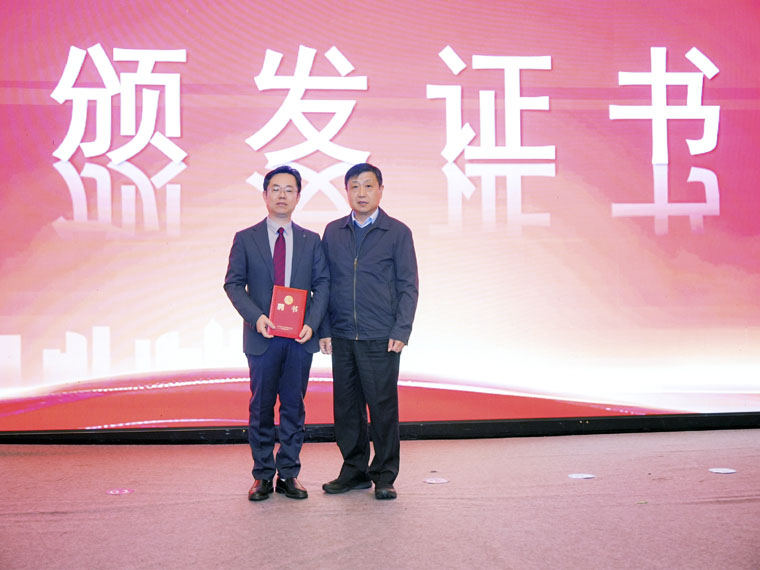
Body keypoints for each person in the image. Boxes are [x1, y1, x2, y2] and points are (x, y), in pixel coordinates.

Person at [224, 165, 329, 501]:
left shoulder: (312, 240)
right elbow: (233, 284)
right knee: (261, 407)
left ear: (298, 196)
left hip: (299, 338)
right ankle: (262, 475)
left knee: (294, 407)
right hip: (262, 337)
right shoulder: (246, 238)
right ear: (265, 195)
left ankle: (289, 473)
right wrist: (256, 317)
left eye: (289, 190)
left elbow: (322, 285)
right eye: (276, 189)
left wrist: (312, 323)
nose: (282, 195)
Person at [319, 163, 419, 500]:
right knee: (347, 409)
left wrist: (401, 328)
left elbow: (408, 285)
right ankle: (354, 471)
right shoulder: (333, 231)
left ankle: (385, 475)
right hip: (343, 334)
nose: (361, 193)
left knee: (382, 408)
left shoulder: (397, 232)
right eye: (354, 187)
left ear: (380, 190)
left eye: (368, 186)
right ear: (346, 192)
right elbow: (324, 283)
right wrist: (325, 328)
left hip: (381, 335)